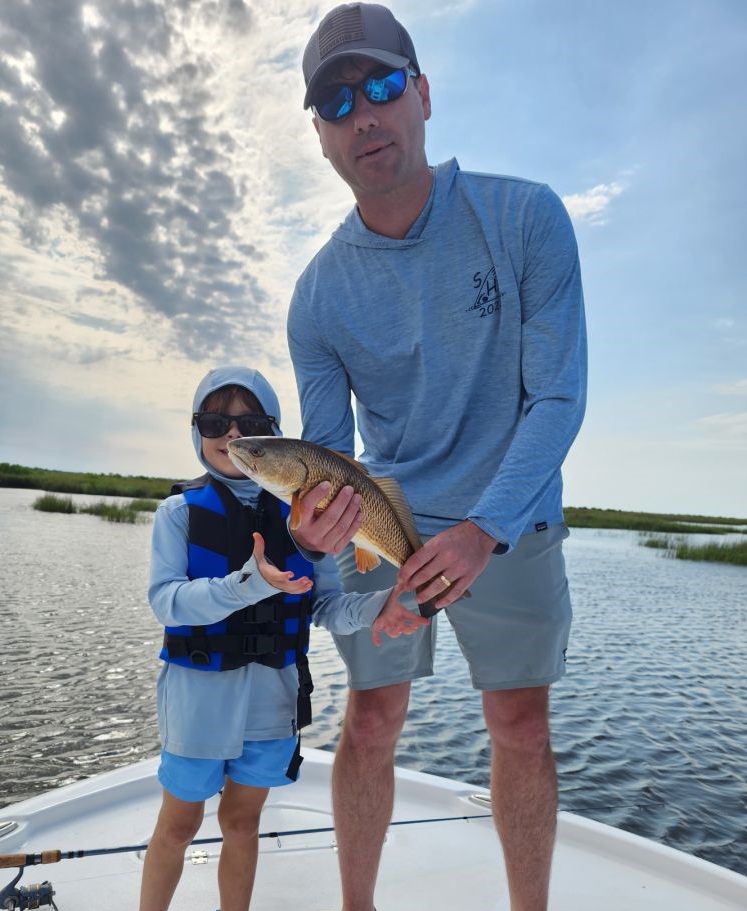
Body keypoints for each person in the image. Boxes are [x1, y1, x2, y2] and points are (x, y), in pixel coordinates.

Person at [287, 4, 587, 910]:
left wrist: (483, 530)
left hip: (515, 513)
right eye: (338, 103)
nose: (363, 115)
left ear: (422, 94)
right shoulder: (316, 299)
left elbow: (559, 398)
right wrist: (314, 539)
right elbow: (327, 463)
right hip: (390, 524)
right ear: (322, 137)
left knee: (521, 726)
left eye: (381, 86)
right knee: (369, 720)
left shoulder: (524, 216)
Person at [138, 365, 428, 911]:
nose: (230, 435)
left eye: (249, 424)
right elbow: (167, 603)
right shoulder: (177, 514)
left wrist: (379, 609)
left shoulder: (314, 516)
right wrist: (249, 584)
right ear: (195, 431)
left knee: (243, 822)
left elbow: (325, 606)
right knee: (177, 824)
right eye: (213, 421)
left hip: (273, 700)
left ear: (277, 436)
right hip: (198, 698)